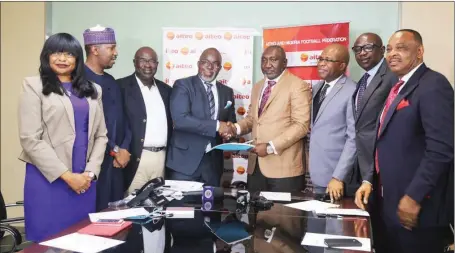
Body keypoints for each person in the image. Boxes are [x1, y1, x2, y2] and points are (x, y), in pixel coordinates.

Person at [368, 29, 453, 253]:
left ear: (420, 51)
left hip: (418, 207)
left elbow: (441, 149)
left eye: (401, 48)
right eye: (389, 49)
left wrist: (414, 197)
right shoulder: (398, 87)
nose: (392, 54)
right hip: (390, 200)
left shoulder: (433, 84)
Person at [18, 33, 108, 242]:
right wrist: (68, 176)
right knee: (49, 242)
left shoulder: (94, 90)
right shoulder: (33, 86)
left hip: (84, 182)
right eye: (56, 52)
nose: (62, 58)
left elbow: (101, 135)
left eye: (69, 54)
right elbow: (30, 138)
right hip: (47, 179)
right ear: (47, 56)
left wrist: (90, 173)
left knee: (81, 241)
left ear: (77, 59)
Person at [229, 45, 311, 193]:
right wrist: (235, 128)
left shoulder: (298, 86)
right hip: (256, 168)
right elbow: (252, 119)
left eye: (273, 60)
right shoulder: (257, 87)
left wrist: (270, 147)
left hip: (284, 170)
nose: (267, 65)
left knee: (283, 215)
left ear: (284, 63)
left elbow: (301, 126)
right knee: (255, 213)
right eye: (264, 60)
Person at [350, 33, 398, 252]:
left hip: (383, 163)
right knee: (369, 226)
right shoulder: (363, 79)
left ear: (382, 50)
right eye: (358, 49)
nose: (362, 53)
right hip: (363, 162)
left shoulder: (391, 77)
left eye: (368, 48)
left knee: (384, 226)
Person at [166, 48, 236, 187]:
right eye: (205, 62)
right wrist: (217, 126)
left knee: (211, 208)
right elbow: (180, 120)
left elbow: (230, 122)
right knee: (182, 208)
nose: (210, 67)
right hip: (184, 164)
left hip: (213, 166)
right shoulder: (183, 85)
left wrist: (230, 132)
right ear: (199, 64)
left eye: (215, 64)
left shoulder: (227, 92)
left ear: (220, 68)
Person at [83, 25, 132, 210]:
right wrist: (115, 149)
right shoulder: (79, 81)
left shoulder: (112, 81)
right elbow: (89, 125)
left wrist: (125, 147)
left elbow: (124, 119)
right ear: (95, 49)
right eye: (111, 48)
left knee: (115, 217)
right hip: (94, 164)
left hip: (117, 164)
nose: (116, 52)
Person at [117, 47, 172, 193]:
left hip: (162, 158)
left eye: (152, 61)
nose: (148, 65)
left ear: (157, 64)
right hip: (136, 158)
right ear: (135, 63)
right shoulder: (121, 87)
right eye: (143, 60)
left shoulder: (166, 90)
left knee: (159, 206)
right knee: (133, 206)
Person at [308, 44, 356, 201]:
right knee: (315, 223)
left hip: (335, 178)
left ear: (342, 65)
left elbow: (353, 138)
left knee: (333, 225)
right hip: (316, 173)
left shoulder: (352, 90)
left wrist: (338, 176)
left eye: (327, 60)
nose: (321, 63)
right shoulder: (317, 88)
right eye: (321, 58)